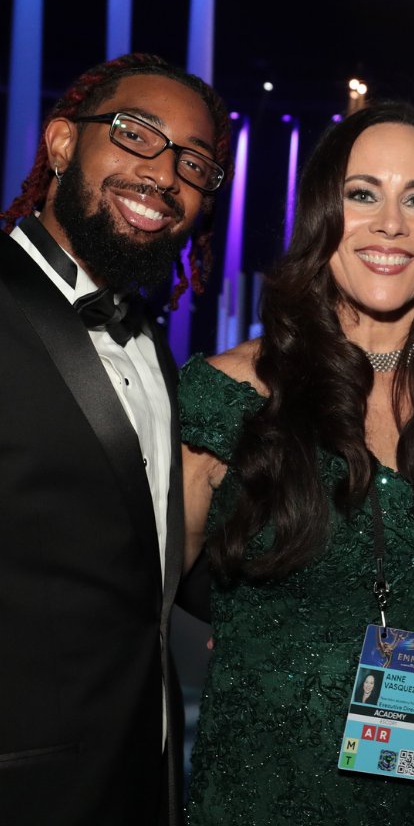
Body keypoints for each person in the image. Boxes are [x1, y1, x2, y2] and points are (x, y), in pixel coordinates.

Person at [179, 102, 414, 823]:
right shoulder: (231, 394)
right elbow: (136, 607)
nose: (391, 223)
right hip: (270, 795)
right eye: (362, 193)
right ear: (320, 218)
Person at [0, 53, 230, 825]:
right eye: (136, 135)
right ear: (62, 143)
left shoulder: (152, 350)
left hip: (140, 773)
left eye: (194, 163)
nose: (165, 175)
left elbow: (142, 572)